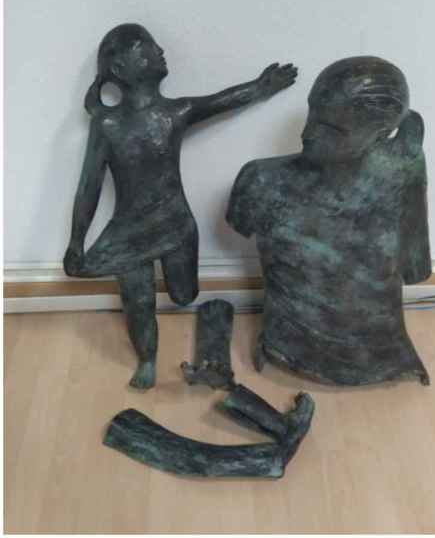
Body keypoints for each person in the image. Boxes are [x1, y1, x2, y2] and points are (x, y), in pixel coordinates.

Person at [63, 24, 296, 389]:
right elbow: (88, 188)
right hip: (129, 231)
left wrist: (260, 87)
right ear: (121, 69)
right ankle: (147, 360)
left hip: (174, 223)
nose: (160, 51)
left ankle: (185, 321)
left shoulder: (174, 112)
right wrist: (76, 242)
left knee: (185, 296)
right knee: (137, 300)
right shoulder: (107, 125)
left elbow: (219, 101)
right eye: (146, 49)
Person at [227, 57, 431, 386]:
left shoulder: (403, 172)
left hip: (381, 352)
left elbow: (415, 267)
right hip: (287, 344)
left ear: (380, 134)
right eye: (312, 113)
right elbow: (416, 268)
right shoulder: (260, 181)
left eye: (331, 128)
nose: (307, 133)